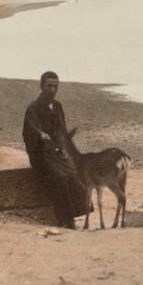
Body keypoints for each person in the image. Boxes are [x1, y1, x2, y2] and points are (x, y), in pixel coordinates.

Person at [22, 70, 90, 229]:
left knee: (73, 173)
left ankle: (74, 215)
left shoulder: (58, 106)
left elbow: (61, 130)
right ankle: (63, 219)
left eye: (55, 86)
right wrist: (40, 134)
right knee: (59, 177)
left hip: (56, 152)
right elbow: (29, 130)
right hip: (40, 154)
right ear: (41, 86)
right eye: (49, 86)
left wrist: (63, 147)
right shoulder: (33, 107)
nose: (52, 90)